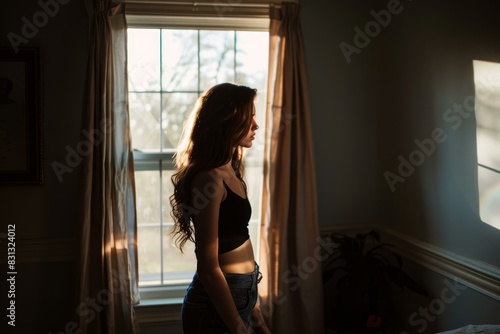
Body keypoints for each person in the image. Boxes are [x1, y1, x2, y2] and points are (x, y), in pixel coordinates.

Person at [170, 83, 271, 334]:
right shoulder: (210, 180)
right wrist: (239, 329)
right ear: (226, 122)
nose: (256, 125)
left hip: (243, 290)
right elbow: (208, 266)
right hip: (213, 306)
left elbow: (240, 239)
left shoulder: (232, 170)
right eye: (249, 119)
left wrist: (258, 320)